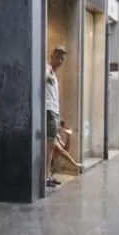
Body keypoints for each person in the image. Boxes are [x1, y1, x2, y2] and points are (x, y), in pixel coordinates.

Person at [46, 45, 68, 188]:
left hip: (53, 112)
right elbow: (44, 75)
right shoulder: (47, 68)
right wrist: (47, 77)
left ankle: (48, 175)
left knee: (51, 148)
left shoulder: (54, 73)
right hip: (49, 111)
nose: (60, 60)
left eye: (62, 58)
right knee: (49, 147)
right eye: (58, 56)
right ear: (52, 55)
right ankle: (46, 177)